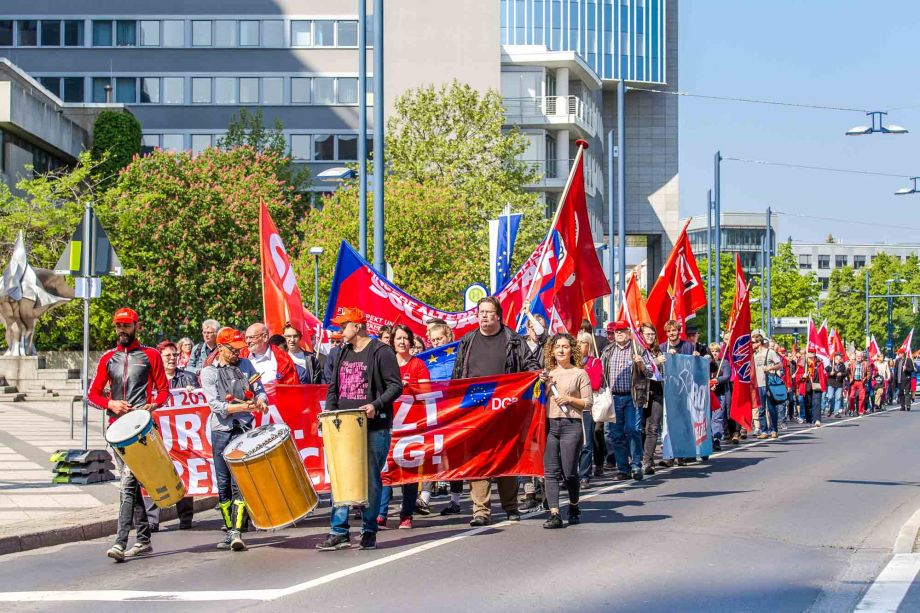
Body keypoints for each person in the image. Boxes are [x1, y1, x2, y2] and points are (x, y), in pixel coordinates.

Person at [88, 307, 169, 562]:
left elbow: (164, 391)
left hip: (140, 430)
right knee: (130, 485)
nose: (122, 330)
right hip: (116, 430)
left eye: (126, 326)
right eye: (118, 326)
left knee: (127, 483)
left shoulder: (150, 355)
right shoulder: (107, 358)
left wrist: (152, 405)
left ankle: (120, 542)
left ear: (136, 326)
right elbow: (92, 394)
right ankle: (143, 539)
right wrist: (110, 404)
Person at [318, 308, 402, 551]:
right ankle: (339, 530)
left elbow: (395, 386)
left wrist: (376, 405)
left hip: (374, 426)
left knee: (370, 478)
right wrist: (329, 415)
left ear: (357, 326)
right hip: (344, 425)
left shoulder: (381, 352)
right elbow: (333, 388)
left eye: (343, 326)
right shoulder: (341, 352)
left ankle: (369, 530)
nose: (339, 330)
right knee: (340, 476)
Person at [451, 297, 538, 527]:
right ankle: (481, 510)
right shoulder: (468, 340)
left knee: (506, 456)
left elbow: (529, 365)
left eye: (489, 312)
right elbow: (458, 373)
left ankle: (510, 506)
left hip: (505, 409)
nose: (485, 316)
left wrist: (537, 375)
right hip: (475, 408)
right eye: (481, 312)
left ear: (498, 315)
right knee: (478, 458)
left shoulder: (512, 339)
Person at [199, 327, 268, 552]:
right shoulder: (209, 372)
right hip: (221, 431)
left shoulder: (246, 365)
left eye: (240, 349)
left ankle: (238, 532)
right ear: (220, 348)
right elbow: (217, 407)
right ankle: (229, 530)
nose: (239, 354)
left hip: (244, 430)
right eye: (233, 350)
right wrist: (243, 406)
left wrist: (261, 399)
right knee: (224, 482)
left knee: (241, 481)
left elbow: (259, 389)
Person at [378, 324, 430, 529]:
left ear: (410, 342)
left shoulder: (418, 364)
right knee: (384, 469)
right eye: (398, 338)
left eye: (405, 338)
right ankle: (381, 513)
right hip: (388, 423)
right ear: (392, 342)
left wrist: (409, 386)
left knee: (408, 472)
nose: (401, 342)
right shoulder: (385, 363)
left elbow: (427, 392)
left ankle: (406, 515)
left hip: (411, 427)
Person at [539, 333, 592, 528]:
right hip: (551, 425)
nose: (561, 350)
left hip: (572, 425)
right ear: (552, 351)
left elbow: (588, 403)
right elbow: (538, 402)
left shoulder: (580, 373)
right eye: (557, 347)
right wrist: (544, 387)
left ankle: (574, 504)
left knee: (569, 472)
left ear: (572, 350)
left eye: (565, 346)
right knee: (551, 471)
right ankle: (554, 513)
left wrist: (569, 399)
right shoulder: (548, 374)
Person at [143, 340, 197, 532]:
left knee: (184, 472)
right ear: (160, 358)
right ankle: (151, 520)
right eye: (168, 356)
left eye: (175, 355)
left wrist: (192, 393)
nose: (172, 359)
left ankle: (185, 517)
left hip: (181, 436)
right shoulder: (150, 379)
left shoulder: (188, 378)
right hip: (158, 434)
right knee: (153, 474)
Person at [600, 320, 644, 481]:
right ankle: (623, 468)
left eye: (622, 330)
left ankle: (637, 465)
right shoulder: (608, 351)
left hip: (632, 396)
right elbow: (602, 373)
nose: (619, 333)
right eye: (616, 331)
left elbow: (650, 372)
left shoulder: (638, 349)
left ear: (628, 332)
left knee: (633, 430)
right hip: (613, 397)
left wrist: (641, 364)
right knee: (616, 433)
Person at [636, 323, 667, 473]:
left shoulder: (658, 351)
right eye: (647, 334)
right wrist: (655, 362)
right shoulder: (638, 351)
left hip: (657, 393)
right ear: (641, 335)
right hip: (642, 393)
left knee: (653, 428)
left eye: (652, 334)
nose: (650, 337)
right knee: (639, 428)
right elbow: (639, 369)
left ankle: (648, 462)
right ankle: (638, 458)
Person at [576, 331, 603, 487]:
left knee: (586, 443)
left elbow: (595, 384)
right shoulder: (570, 362)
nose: (580, 346)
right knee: (572, 443)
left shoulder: (594, 362)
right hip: (571, 407)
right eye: (578, 343)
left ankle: (584, 475)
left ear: (589, 345)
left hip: (586, 407)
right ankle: (571, 475)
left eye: (583, 343)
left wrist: (579, 380)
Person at [245, 322, 299, 387]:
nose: (248, 341)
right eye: (246, 338)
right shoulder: (240, 356)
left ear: (265, 337)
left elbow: (292, 388)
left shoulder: (283, 359)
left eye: (251, 337)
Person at [751, 334, 782, 439]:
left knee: (772, 408)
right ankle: (764, 430)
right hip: (758, 384)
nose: (752, 344)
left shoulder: (770, 352)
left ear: (759, 342)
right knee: (761, 409)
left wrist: (770, 368)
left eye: (753, 342)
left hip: (769, 384)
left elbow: (780, 364)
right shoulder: (754, 355)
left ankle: (774, 429)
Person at [709, 341, 731, 449]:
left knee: (717, 418)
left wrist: (716, 380)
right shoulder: (706, 363)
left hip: (720, 394)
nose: (714, 353)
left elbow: (727, 376)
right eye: (712, 351)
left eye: (716, 351)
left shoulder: (724, 363)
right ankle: (709, 439)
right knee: (707, 418)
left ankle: (716, 439)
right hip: (708, 394)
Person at [848, 351, 869, 416]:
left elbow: (868, 372)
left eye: (860, 356)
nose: (859, 357)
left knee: (862, 397)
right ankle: (852, 409)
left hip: (861, 382)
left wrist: (866, 378)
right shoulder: (852, 363)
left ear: (862, 357)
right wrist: (850, 377)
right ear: (856, 357)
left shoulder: (865, 363)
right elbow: (848, 371)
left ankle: (861, 411)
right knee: (851, 396)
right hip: (853, 382)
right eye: (857, 356)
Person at [826, 352, 847, 418]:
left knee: (838, 398)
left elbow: (846, 373)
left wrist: (841, 374)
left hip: (839, 384)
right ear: (834, 359)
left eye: (839, 359)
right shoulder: (830, 364)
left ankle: (836, 412)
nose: (838, 360)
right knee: (830, 397)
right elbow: (825, 372)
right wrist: (830, 373)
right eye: (837, 359)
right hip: (831, 383)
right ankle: (831, 409)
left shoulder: (842, 365)